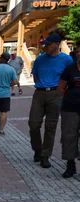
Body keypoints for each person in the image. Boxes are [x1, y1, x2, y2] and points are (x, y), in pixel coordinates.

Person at [28, 33, 74, 168]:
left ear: (56, 44)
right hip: (40, 93)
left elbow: (68, 79)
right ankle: (37, 149)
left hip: (56, 94)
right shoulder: (40, 59)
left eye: (48, 44)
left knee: (50, 126)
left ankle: (45, 155)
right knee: (33, 124)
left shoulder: (66, 60)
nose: (45, 47)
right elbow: (35, 77)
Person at [57, 46, 80, 178]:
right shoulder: (70, 69)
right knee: (69, 136)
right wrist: (70, 96)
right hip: (70, 108)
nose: (79, 54)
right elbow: (60, 87)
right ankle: (70, 165)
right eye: (78, 52)